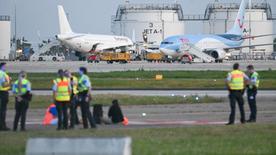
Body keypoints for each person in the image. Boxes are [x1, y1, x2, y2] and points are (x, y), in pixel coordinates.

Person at [0, 62, 11, 131]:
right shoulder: (2, 74)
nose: (6, 68)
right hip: (3, 92)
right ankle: (2, 126)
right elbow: (4, 85)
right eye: (5, 66)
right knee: (3, 110)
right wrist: (10, 82)